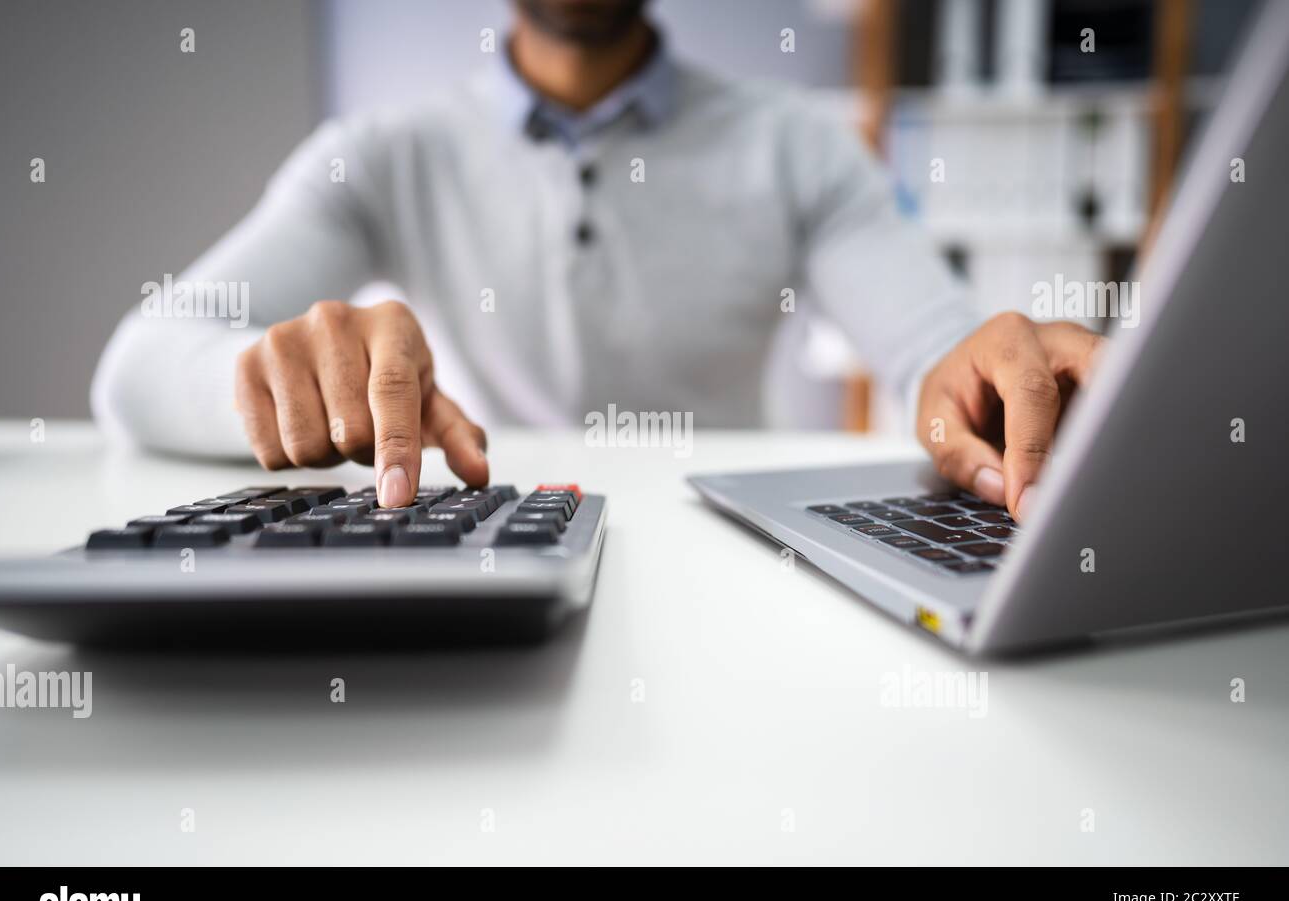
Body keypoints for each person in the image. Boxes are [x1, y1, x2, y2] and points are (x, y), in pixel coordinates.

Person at [90, 0, 1101, 519]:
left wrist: (988, 384)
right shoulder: (384, 152)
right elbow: (138, 367)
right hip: (480, 553)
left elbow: (938, 357)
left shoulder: (798, 143)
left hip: (734, 562)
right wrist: (276, 387)